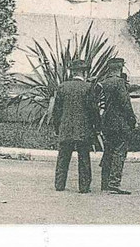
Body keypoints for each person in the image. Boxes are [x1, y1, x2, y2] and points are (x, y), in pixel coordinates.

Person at [52, 59, 99, 193]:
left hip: (65, 129)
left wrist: (57, 128)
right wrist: (96, 128)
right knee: (84, 158)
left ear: (72, 72)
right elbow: (93, 110)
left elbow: (57, 111)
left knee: (63, 157)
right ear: (84, 72)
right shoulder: (88, 87)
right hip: (83, 130)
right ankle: (84, 187)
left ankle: (59, 184)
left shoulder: (62, 86)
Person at [98, 57, 136, 194]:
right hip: (119, 124)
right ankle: (114, 183)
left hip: (107, 123)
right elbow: (125, 104)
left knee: (108, 151)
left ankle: (105, 183)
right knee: (119, 152)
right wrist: (132, 120)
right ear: (121, 68)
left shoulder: (104, 83)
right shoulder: (120, 83)